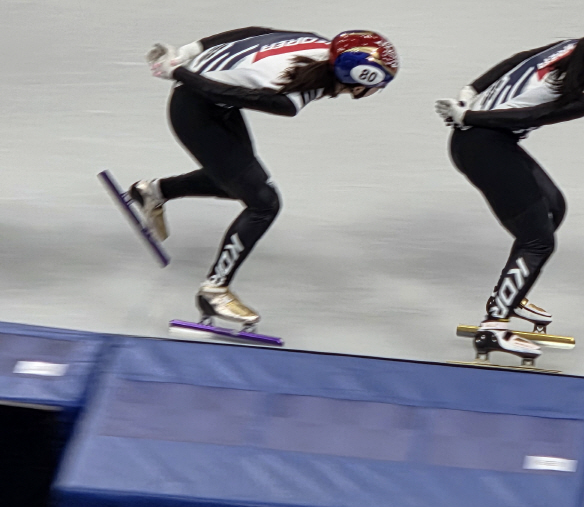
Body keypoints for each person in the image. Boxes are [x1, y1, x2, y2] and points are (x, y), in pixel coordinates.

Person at [435, 4, 584, 362]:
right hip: (483, 144)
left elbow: (517, 59)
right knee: (538, 240)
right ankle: (494, 327)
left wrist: (470, 91)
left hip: (488, 140)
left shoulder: (575, 45)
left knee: (554, 207)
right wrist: (470, 112)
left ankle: (510, 294)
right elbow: (534, 114)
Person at [130, 27, 398, 330]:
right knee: (264, 203)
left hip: (211, 101)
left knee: (239, 182)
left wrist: (191, 50)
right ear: (358, 81)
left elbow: (258, 32)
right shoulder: (292, 98)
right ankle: (214, 291)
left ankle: (154, 192)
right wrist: (178, 71)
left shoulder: (320, 44)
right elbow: (228, 92)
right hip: (197, 107)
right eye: (380, 83)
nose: (380, 90)